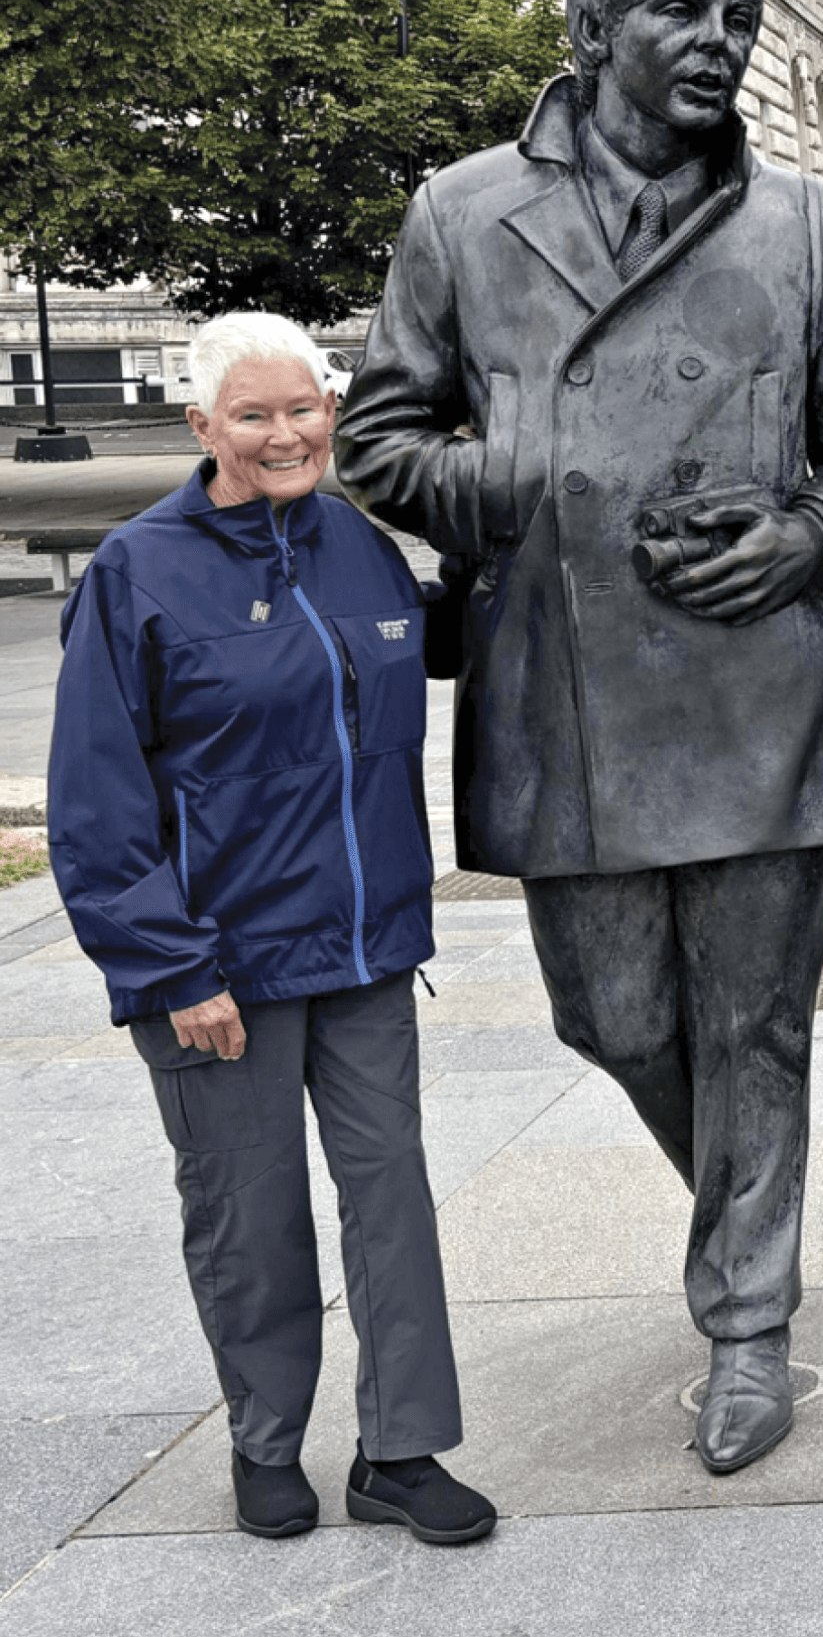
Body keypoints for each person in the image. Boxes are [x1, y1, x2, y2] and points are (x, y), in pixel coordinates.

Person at [338, 0, 823, 1470]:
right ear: (593, 36)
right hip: (564, 683)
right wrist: (506, 473)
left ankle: (747, 1323)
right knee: (612, 1015)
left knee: (758, 1029)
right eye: (685, 18)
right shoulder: (462, 219)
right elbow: (378, 440)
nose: (721, 49)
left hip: (759, 681)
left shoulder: (810, 228)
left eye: (739, 26)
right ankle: (745, 1212)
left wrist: (805, 535)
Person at [49, 313, 496, 1543]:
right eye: (253, 415)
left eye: (303, 408)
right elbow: (95, 802)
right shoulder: (139, 570)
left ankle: (401, 1451)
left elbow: (430, 657)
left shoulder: (355, 542)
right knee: (249, 1213)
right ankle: (266, 1441)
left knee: (391, 1196)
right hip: (219, 968)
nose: (286, 433)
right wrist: (168, 966)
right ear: (204, 427)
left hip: (364, 949)